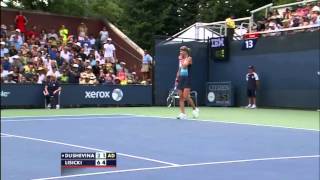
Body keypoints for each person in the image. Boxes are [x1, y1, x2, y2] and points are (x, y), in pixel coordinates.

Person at [175, 46, 199, 119]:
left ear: (186, 51)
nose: (180, 52)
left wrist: (181, 59)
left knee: (186, 96)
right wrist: (176, 79)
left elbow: (185, 66)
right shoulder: (181, 59)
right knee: (181, 97)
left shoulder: (189, 58)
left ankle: (195, 109)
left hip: (187, 79)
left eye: (181, 51)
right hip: (181, 79)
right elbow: (179, 70)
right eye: (180, 51)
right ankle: (183, 113)